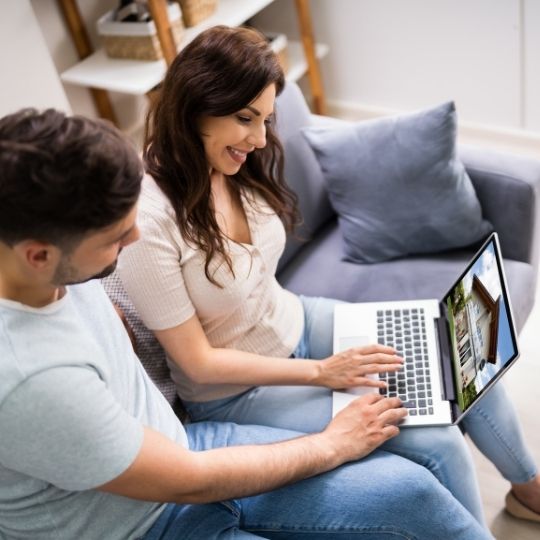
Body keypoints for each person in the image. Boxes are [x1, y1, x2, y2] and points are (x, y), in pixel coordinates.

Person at [0, 108, 496, 540]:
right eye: (115, 237)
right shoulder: (32, 378)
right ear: (39, 256)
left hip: (183, 445)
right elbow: (188, 481)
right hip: (142, 525)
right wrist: (331, 443)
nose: (133, 239)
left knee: (411, 490)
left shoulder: (44, 255)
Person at [117, 25, 540, 524]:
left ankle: (529, 491)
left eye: (266, 119)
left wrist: (325, 362)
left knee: (455, 345)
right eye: (244, 118)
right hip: (236, 391)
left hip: (295, 318)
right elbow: (199, 363)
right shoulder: (149, 220)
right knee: (438, 438)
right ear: (195, 106)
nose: (258, 139)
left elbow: (259, 280)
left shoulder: (230, 161)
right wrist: (322, 371)